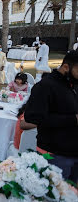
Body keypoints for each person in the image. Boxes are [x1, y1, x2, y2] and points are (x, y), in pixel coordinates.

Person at [25, 51, 78, 182]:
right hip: (56, 154)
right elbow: (33, 117)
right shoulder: (45, 86)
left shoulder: (74, 83)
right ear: (66, 67)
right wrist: (73, 119)